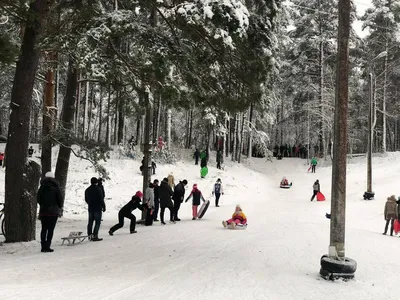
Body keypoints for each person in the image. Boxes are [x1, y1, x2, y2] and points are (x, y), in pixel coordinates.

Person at [37, 172, 62, 252]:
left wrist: (43, 205)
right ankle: (48, 245)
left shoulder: (42, 187)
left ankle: (43, 246)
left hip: (44, 211)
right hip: (53, 212)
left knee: (44, 229)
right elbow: (60, 199)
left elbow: (38, 199)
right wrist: (59, 207)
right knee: (51, 229)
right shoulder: (56, 187)